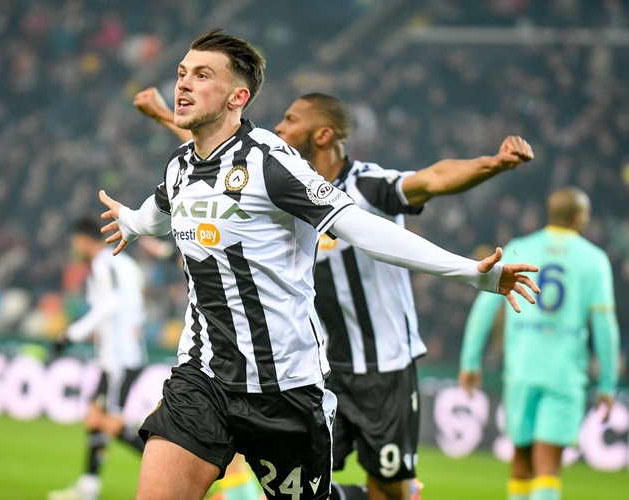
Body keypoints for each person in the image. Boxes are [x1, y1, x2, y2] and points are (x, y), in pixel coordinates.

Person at [100, 28, 539, 500]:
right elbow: (160, 209)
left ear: (237, 97)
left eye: (202, 75)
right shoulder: (180, 166)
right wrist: (131, 223)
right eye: (182, 73)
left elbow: (364, 229)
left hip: (283, 389)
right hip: (201, 376)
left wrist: (471, 272)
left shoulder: (272, 164)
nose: (183, 83)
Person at [458, 187, 620, 500]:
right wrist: (607, 384)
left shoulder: (519, 248)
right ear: (579, 218)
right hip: (564, 375)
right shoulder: (594, 260)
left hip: (521, 371)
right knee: (547, 467)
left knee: (521, 464)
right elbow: (605, 328)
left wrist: (470, 362)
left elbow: (483, 309)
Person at [48, 217, 148, 500]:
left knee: (110, 423)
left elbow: (108, 305)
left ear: (84, 239)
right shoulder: (125, 263)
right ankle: (88, 488)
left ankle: (173, 467)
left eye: (75, 242)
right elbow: (137, 304)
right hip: (116, 356)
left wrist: (70, 335)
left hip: (119, 359)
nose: (74, 248)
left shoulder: (103, 264)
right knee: (95, 418)